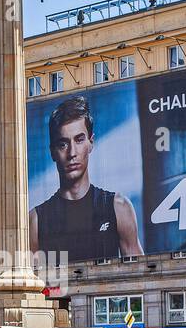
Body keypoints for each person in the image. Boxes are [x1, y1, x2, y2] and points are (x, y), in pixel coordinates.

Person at [30, 96, 143, 262]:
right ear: (53, 152)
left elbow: (140, 272)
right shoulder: (36, 220)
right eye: (63, 144)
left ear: (91, 143)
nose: (72, 153)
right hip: (60, 289)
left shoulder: (119, 207)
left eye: (79, 139)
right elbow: (32, 282)